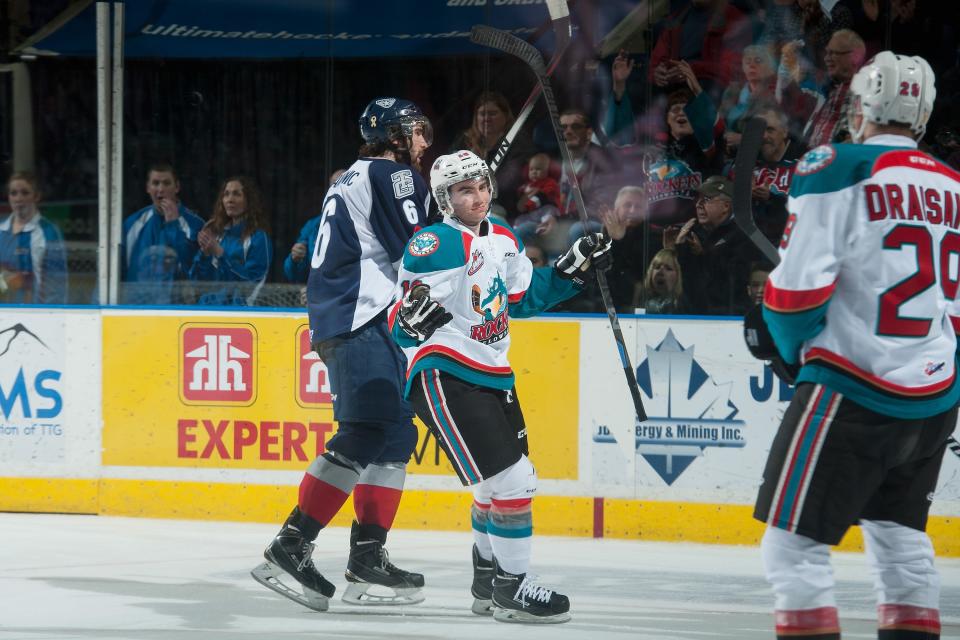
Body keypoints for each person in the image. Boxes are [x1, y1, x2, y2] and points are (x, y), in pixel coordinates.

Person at [745, 52, 956, 639]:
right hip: (935, 395)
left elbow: (793, 296)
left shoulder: (837, 164)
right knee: (903, 544)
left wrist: (790, 354)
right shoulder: (954, 184)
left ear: (862, 106)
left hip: (852, 387)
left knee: (792, 548)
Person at [391, 149, 612, 623]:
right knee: (514, 479)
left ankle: (488, 582)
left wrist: (573, 269)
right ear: (444, 198)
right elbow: (402, 312)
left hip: (493, 372)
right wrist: (410, 321)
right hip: (443, 371)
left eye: (482, 186)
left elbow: (524, 299)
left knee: (496, 486)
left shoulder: (505, 238)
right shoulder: (435, 243)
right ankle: (513, 590)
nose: (477, 196)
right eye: (464, 190)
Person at [252, 98, 434, 612]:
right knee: (365, 430)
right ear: (394, 137)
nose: (424, 142)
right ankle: (291, 544)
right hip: (361, 319)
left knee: (397, 433)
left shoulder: (356, 176)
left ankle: (367, 557)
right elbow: (417, 251)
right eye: (416, 133)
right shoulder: (394, 177)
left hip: (358, 319)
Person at [667, 175, 759, 314]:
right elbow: (687, 282)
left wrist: (703, 254)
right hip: (690, 317)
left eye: (706, 199)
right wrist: (673, 250)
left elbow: (732, 283)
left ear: (726, 206)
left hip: (727, 319)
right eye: (698, 199)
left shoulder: (744, 235)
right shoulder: (693, 232)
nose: (698, 204)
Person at [120, 163, 204, 304]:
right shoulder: (132, 224)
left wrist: (173, 225)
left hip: (178, 312)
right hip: (137, 311)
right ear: (148, 188)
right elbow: (117, 271)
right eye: (155, 183)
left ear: (177, 187)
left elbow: (195, 270)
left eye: (166, 183)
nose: (161, 189)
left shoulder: (196, 225)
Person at [189, 176, 272, 306]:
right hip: (211, 312)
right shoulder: (219, 235)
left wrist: (221, 254)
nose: (230, 199)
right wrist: (204, 254)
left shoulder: (259, 238)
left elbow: (252, 283)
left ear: (248, 201)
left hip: (243, 315)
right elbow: (200, 283)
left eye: (236, 194)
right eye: (226, 194)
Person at [0, 172, 67, 304]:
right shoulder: (1, 230)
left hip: (35, 315)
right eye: (14, 193)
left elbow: (56, 286)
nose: (18, 199)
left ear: (36, 196)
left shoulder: (48, 232)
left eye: (25, 193)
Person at [284, 168, 347, 284]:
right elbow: (293, 275)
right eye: (333, 186)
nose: (336, 190)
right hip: (318, 296)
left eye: (341, 185)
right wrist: (295, 259)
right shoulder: (314, 225)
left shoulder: (362, 224)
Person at [511, 153, 561, 245]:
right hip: (533, 212)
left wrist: (529, 203)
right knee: (521, 219)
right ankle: (515, 230)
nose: (534, 172)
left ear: (547, 171)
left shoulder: (550, 182)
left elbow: (545, 195)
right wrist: (524, 192)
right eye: (531, 169)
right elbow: (520, 195)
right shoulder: (528, 185)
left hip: (545, 207)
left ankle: (544, 227)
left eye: (538, 169)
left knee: (548, 212)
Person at [640, 248, 687, 314]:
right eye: (657, 267)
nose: (660, 271)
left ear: (678, 276)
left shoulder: (683, 307)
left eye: (668, 268)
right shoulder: (641, 304)